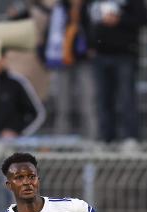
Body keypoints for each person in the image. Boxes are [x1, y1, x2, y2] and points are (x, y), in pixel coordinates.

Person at [83, 0, 147, 143]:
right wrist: (89, 45)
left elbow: (144, 19)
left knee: (127, 98)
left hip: (124, 54)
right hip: (100, 55)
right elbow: (85, 19)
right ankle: (106, 138)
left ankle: (130, 138)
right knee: (103, 99)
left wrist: (119, 19)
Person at [43, 0, 97, 139]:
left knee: (87, 104)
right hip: (62, 61)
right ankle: (61, 140)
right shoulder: (59, 9)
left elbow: (95, 31)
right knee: (62, 105)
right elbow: (49, 34)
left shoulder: (90, 7)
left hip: (84, 61)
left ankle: (91, 141)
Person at [0, 52, 46, 139]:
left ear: (4, 60)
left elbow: (38, 114)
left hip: (13, 144)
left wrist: (18, 133)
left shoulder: (16, 83)